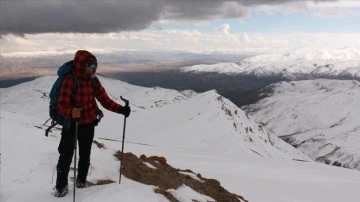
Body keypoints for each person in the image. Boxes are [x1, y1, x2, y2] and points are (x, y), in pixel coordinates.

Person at [54, 50, 130, 197]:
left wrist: (121, 109)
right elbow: (60, 104)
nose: (94, 68)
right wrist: (71, 112)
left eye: (95, 65)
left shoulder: (93, 80)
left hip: (88, 124)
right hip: (71, 125)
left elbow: (104, 100)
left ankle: (81, 182)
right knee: (65, 156)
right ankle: (61, 187)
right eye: (91, 65)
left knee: (85, 156)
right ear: (82, 65)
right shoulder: (70, 79)